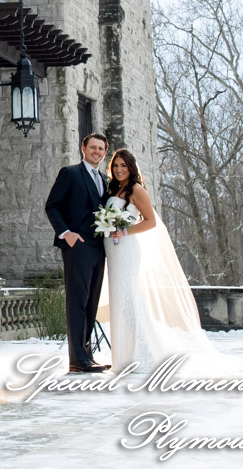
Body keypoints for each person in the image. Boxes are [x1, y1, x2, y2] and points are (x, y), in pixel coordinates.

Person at [102, 147, 226, 373]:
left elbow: (150, 221)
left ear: (131, 168)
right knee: (119, 302)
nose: (119, 170)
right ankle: (122, 356)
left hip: (127, 250)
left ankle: (140, 355)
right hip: (113, 251)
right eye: (116, 166)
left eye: (123, 166)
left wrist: (125, 230)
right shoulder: (113, 188)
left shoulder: (136, 189)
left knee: (129, 300)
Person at [43, 133, 111, 373]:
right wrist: (66, 233)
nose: (96, 152)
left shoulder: (105, 179)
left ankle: (86, 354)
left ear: (105, 152)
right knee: (77, 302)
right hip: (77, 246)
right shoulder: (70, 173)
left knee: (91, 302)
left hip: (99, 247)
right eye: (93, 147)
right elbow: (52, 206)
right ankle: (76, 359)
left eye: (101, 149)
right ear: (83, 148)